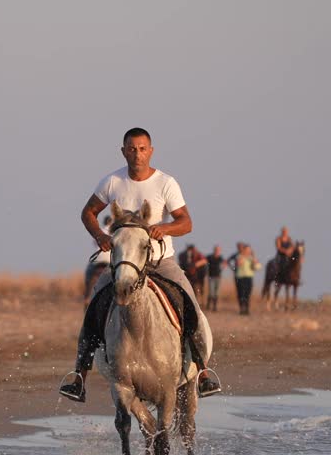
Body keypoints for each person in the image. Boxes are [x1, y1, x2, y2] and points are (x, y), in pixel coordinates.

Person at [58, 127, 221, 403]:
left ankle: (202, 372)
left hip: (160, 261)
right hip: (124, 263)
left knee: (189, 302)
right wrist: (100, 236)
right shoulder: (112, 182)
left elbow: (186, 222)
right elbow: (88, 213)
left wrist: (165, 228)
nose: (137, 154)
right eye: (132, 149)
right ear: (123, 151)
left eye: (142, 148)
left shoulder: (166, 183)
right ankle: (79, 377)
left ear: (151, 151)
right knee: (94, 306)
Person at [82, 215, 113, 299]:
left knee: (88, 273)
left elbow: (95, 243)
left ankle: (86, 295)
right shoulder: (114, 232)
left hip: (98, 260)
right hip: (109, 260)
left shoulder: (100, 231)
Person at [228, 242, 261, 315]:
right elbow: (238, 264)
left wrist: (254, 261)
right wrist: (243, 257)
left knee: (247, 293)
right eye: (247, 250)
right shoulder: (239, 256)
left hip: (249, 277)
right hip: (240, 278)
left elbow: (258, 267)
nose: (248, 251)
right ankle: (241, 308)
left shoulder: (252, 258)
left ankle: (247, 308)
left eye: (249, 250)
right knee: (241, 293)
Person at [205, 245, 224, 311]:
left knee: (216, 292)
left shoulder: (220, 258)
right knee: (211, 292)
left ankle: (214, 307)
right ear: (214, 250)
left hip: (218, 277)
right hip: (211, 277)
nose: (217, 251)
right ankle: (208, 305)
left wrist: (222, 268)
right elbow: (204, 261)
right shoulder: (210, 257)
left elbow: (224, 264)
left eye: (218, 250)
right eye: (216, 250)